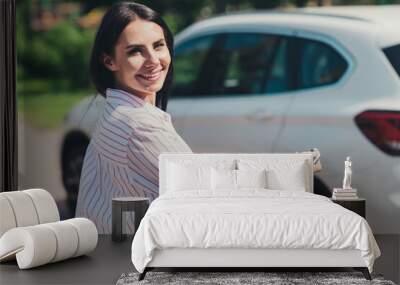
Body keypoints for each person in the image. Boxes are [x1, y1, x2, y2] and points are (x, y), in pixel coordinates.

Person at [75, 2, 192, 234]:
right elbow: (201, 199)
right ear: (110, 61)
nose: (153, 60)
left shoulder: (116, 113)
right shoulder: (138, 126)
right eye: (135, 51)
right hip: (130, 263)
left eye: (158, 46)